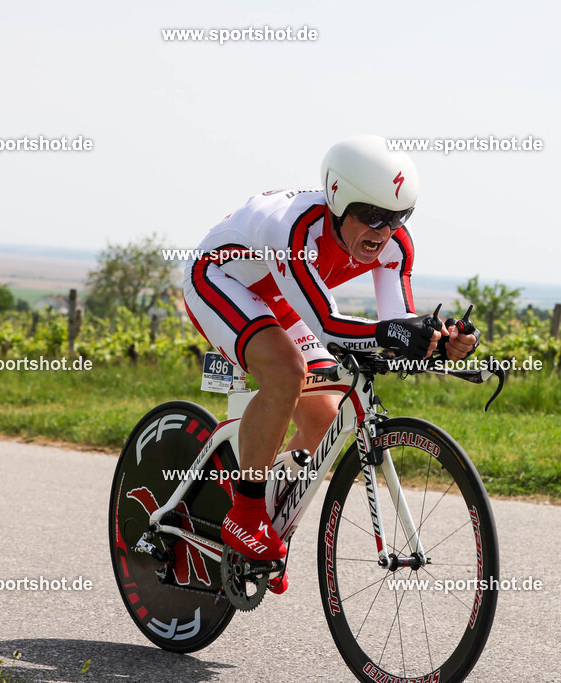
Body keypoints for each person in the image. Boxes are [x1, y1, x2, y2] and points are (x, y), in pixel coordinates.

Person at [183, 134, 480, 593]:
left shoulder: (395, 246)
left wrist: (440, 344)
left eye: (398, 217)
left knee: (326, 417)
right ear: (339, 200)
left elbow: (395, 323)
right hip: (220, 279)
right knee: (286, 372)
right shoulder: (296, 230)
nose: (384, 231)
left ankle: (270, 505)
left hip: (283, 296)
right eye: (374, 216)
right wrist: (391, 334)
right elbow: (325, 323)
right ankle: (243, 515)